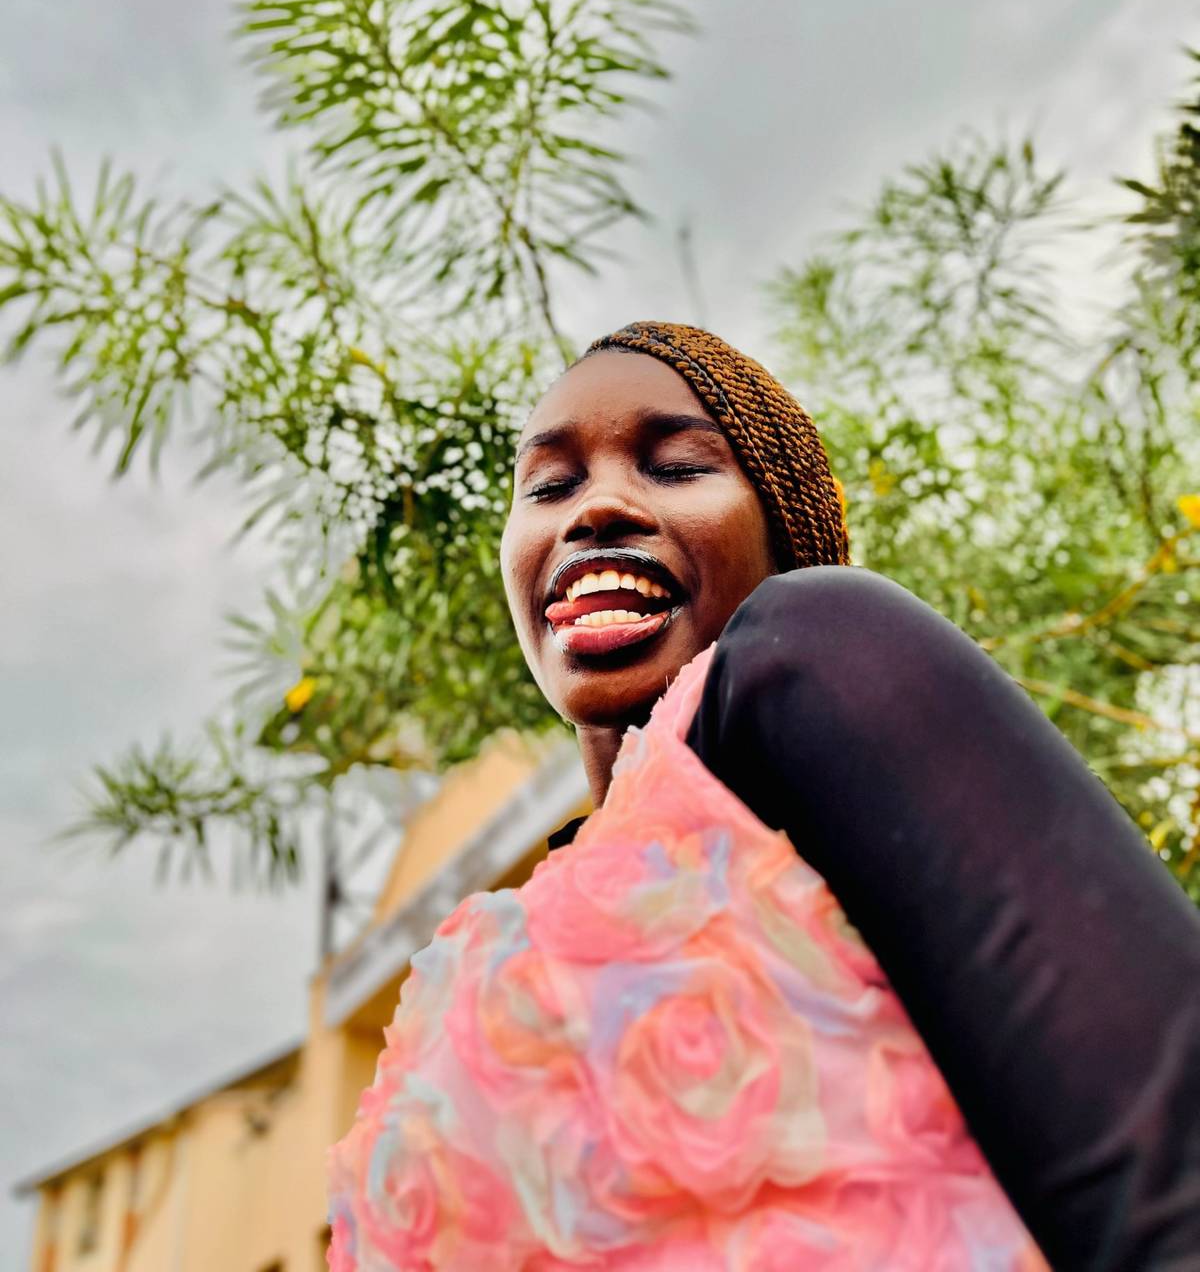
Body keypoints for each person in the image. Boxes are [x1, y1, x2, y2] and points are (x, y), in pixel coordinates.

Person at [327, 320, 1200, 1271]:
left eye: (676, 467)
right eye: (549, 485)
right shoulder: (510, 945)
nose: (599, 508)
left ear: (785, 533)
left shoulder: (821, 634)